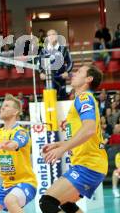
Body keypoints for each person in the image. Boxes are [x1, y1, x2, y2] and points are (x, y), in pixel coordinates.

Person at [40, 65, 107, 213]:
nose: (74, 74)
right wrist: (59, 144)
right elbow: (83, 135)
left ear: (88, 79)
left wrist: (63, 149)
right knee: (67, 204)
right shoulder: (82, 99)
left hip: (89, 164)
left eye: (79, 72)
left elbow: (89, 130)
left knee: (47, 203)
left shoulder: (84, 98)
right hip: (90, 164)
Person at [39, 29, 73, 100]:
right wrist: (41, 73)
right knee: (50, 99)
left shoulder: (64, 49)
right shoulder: (43, 50)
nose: (51, 36)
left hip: (61, 78)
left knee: (62, 98)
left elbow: (70, 62)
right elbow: (40, 63)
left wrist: (67, 72)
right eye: (49, 35)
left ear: (57, 36)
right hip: (48, 79)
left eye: (53, 34)